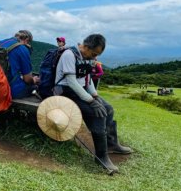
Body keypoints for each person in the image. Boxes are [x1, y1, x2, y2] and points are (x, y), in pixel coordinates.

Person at [54, 34, 132, 174]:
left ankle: (111, 144)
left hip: (80, 90)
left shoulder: (86, 58)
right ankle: (101, 156)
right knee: (97, 114)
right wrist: (90, 101)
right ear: (86, 46)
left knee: (108, 108)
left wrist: (95, 96)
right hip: (65, 90)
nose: (94, 57)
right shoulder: (69, 55)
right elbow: (71, 81)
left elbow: (87, 79)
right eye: (94, 53)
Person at [0, 30, 40, 99]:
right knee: (35, 87)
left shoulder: (0, 43)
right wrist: (34, 80)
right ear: (26, 40)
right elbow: (27, 79)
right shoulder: (22, 49)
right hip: (11, 90)